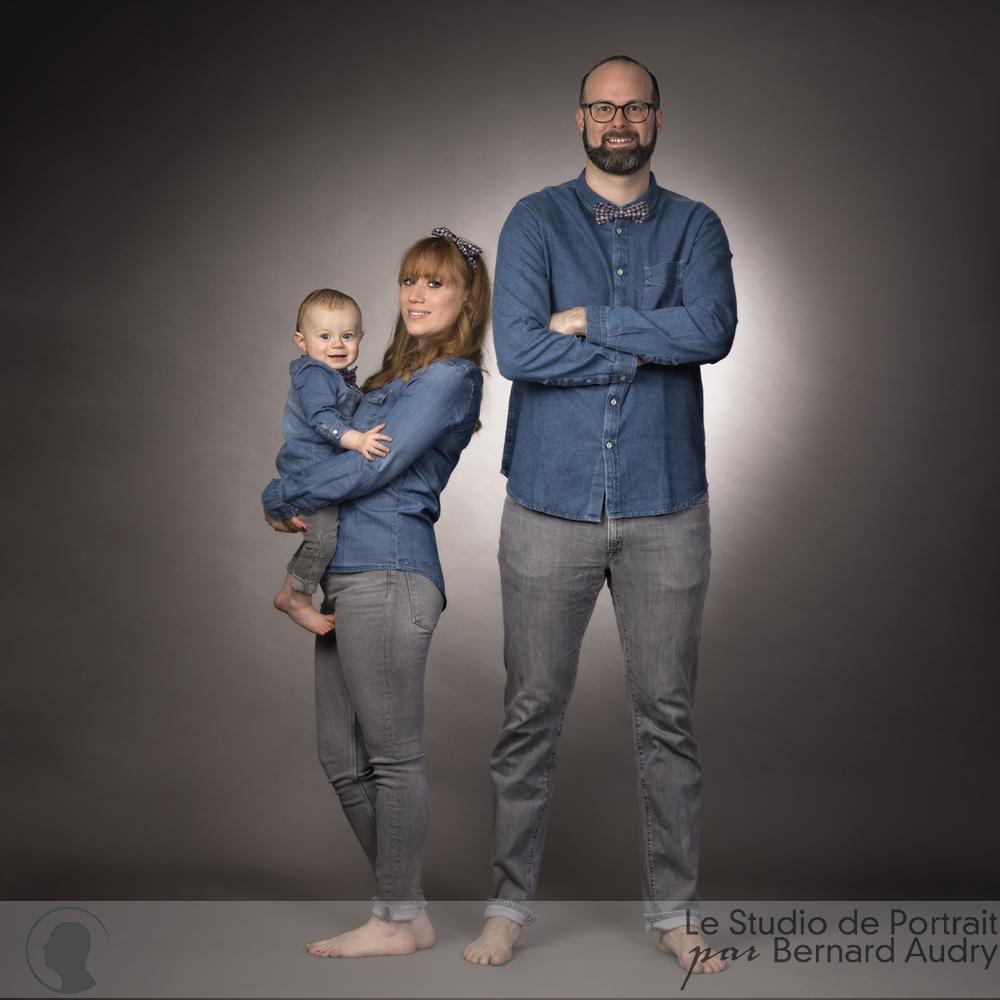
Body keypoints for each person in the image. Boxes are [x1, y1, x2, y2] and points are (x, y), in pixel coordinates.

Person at [463, 56, 737, 975]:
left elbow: (713, 333)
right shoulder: (534, 219)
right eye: (602, 106)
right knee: (530, 711)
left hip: (668, 505)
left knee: (666, 716)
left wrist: (592, 321)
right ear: (580, 117)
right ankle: (506, 907)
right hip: (548, 502)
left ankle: (673, 914)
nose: (618, 120)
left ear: (657, 117)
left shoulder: (697, 225)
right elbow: (518, 350)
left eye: (634, 107)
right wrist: (636, 341)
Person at [262, 228, 490, 958]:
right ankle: (407, 905)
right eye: (409, 281)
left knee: (392, 757)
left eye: (436, 282)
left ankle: (393, 917)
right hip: (344, 575)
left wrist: (282, 490)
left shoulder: (451, 378)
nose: (418, 295)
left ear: (465, 298)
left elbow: (368, 475)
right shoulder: (379, 379)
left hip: (391, 571)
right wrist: (283, 493)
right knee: (342, 758)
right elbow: (319, 447)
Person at [271, 288, 392, 635]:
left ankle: (287, 591)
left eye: (347, 335)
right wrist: (357, 440)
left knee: (318, 536)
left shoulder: (334, 377)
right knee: (322, 541)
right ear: (301, 340)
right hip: (310, 473)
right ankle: (297, 600)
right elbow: (323, 419)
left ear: (360, 338)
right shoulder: (314, 374)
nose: (337, 344)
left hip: (319, 471)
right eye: (324, 336)